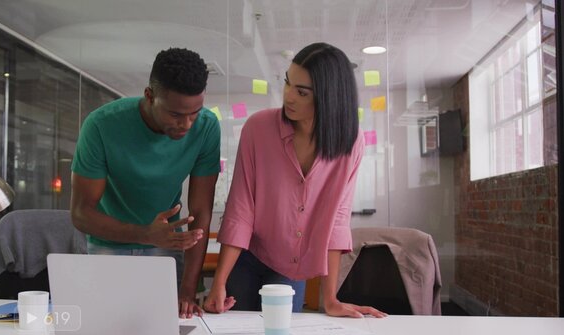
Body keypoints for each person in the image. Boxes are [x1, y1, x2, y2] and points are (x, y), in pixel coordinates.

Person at [203, 42, 385, 318]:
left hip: (290, 265)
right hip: (247, 255)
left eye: (301, 92)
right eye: (288, 84)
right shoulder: (257, 128)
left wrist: (331, 299)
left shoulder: (351, 143)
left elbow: (337, 219)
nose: (288, 96)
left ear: (328, 97)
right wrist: (219, 281)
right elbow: (241, 208)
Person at [71, 47, 220, 319]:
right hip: (108, 241)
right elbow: (81, 214)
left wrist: (188, 289)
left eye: (194, 113)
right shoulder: (101, 125)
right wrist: (144, 234)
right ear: (149, 96)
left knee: (163, 325)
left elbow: (201, 212)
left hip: (165, 243)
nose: (187, 124)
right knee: (108, 324)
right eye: (176, 114)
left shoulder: (207, 127)